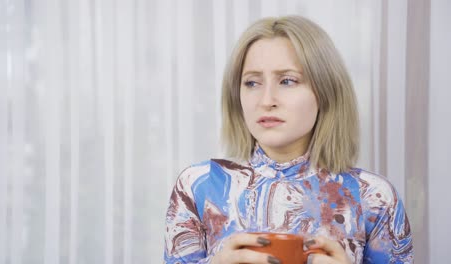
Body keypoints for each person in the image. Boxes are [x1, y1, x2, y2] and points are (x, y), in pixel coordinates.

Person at [163, 15, 413, 264]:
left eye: (287, 81)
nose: (266, 100)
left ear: (325, 91)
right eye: (251, 82)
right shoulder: (198, 186)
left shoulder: (375, 198)